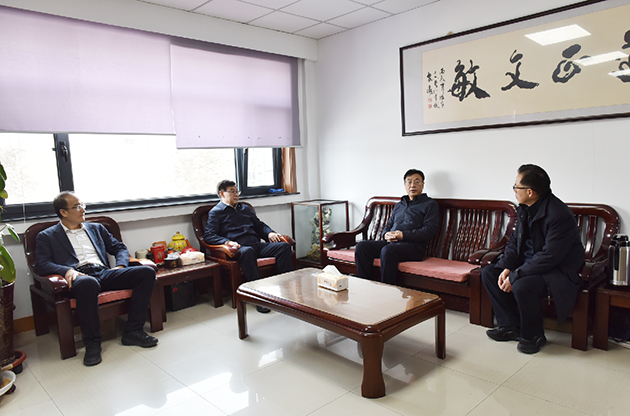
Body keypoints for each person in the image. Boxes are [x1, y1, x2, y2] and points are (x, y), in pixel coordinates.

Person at [35, 192, 158, 366]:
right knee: (88, 283)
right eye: (77, 207)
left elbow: (119, 248)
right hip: (80, 277)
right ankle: (92, 343)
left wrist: (120, 266)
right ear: (63, 212)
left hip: (104, 272)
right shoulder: (47, 236)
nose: (83, 209)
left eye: (82, 205)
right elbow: (41, 264)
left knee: (146, 272)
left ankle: (133, 331)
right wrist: (67, 270)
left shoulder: (96, 228)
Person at [482, 164, 584, 354]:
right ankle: (510, 326)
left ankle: (534, 335)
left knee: (522, 285)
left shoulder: (559, 214)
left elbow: (549, 257)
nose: (514, 190)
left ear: (530, 192)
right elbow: (514, 242)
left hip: (555, 270)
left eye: (516, 186)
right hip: (529, 265)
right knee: (489, 273)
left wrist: (516, 275)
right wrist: (507, 267)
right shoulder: (524, 208)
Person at [203, 180, 293, 313]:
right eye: (232, 192)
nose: (236, 194)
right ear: (222, 194)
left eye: (237, 191)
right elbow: (209, 236)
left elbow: (259, 225)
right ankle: (258, 298)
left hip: (256, 245)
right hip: (239, 250)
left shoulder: (244, 208)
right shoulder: (216, 212)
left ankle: (285, 290)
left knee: (284, 247)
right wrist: (227, 242)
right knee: (248, 251)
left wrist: (270, 232)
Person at [355, 169, 440, 285]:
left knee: (388, 250)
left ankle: (387, 289)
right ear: (405, 185)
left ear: (423, 185)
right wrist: (385, 235)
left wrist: (402, 236)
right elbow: (389, 225)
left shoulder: (430, 205)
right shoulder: (400, 205)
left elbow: (428, 231)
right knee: (362, 246)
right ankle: (365, 285)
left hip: (414, 247)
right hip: (391, 243)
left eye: (417, 182)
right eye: (409, 182)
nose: (412, 185)